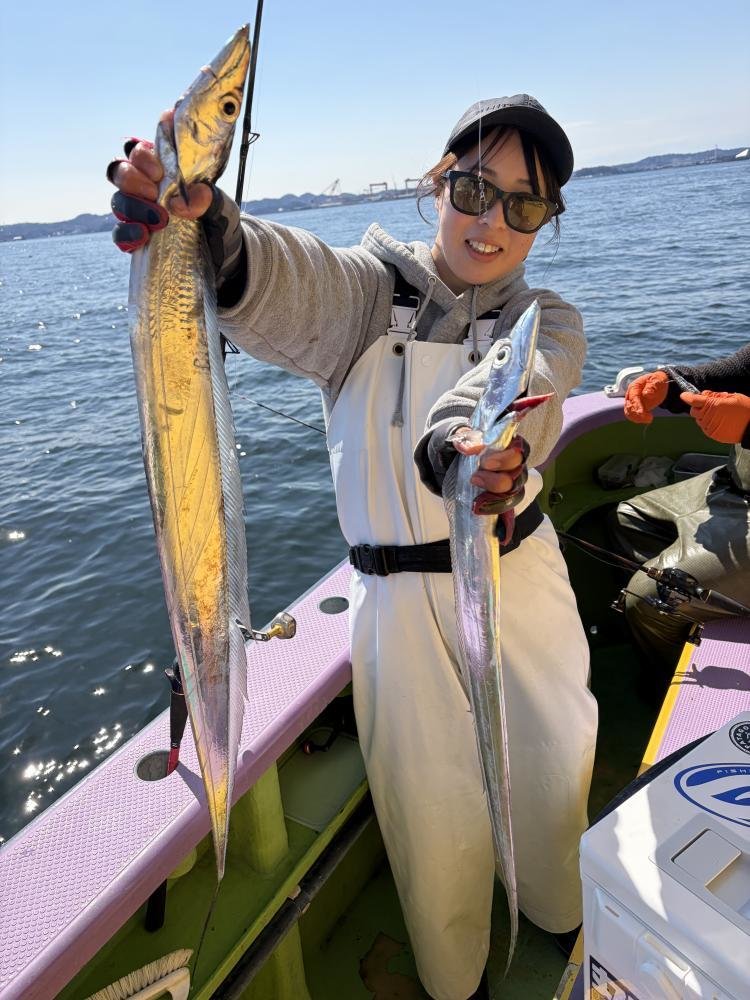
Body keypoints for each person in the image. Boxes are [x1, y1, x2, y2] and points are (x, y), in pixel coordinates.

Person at [108, 95, 598, 1000]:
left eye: (524, 205)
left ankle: (562, 919)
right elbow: (288, 278)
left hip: (517, 579)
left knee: (553, 764)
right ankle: (459, 981)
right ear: (436, 186)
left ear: (546, 222)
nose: (490, 223)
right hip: (396, 611)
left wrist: (473, 452)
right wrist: (211, 231)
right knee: (430, 809)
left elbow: (526, 385)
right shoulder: (368, 296)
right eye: (472, 189)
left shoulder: (548, 317)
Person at [619, 349, 750, 675]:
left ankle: (667, 688)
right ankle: (692, 616)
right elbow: (738, 370)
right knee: (628, 518)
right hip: (735, 482)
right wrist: (671, 383)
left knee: (647, 598)